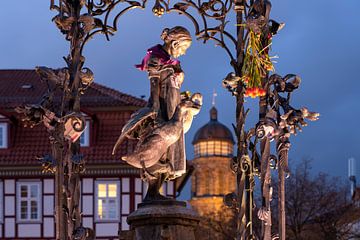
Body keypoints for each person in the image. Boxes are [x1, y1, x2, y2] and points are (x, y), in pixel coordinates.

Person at [135, 26, 192, 200]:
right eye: (183, 48)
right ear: (175, 43)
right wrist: (155, 111)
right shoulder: (156, 58)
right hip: (162, 108)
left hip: (173, 107)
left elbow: (173, 88)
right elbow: (154, 87)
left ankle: (155, 192)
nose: (183, 53)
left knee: (169, 151)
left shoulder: (173, 63)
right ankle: (152, 193)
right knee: (159, 149)